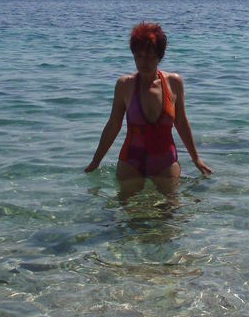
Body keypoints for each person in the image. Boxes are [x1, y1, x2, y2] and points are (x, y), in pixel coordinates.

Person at [84, 22, 211, 195]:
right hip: (131, 162)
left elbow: (181, 122)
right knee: (128, 210)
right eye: (138, 56)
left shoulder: (174, 83)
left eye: (150, 56)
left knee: (171, 208)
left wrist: (196, 159)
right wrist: (96, 161)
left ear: (159, 56)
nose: (144, 62)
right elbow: (113, 125)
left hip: (165, 162)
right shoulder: (124, 85)